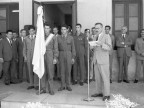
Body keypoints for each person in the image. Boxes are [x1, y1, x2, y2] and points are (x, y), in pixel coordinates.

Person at [91, 23, 112, 101]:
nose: (96, 29)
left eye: (98, 28)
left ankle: (107, 94)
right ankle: (99, 92)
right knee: (97, 78)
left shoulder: (106, 36)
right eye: (95, 28)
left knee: (105, 78)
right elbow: (95, 49)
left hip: (103, 60)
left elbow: (109, 47)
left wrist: (102, 44)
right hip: (96, 60)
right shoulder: (95, 36)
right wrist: (92, 46)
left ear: (102, 28)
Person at [39, 24, 59, 95]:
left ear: (50, 29)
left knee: (50, 73)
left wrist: (55, 57)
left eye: (48, 28)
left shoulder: (53, 37)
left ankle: (51, 89)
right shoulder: (41, 36)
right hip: (42, 55)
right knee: (43, 73)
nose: (46, 29)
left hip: (50, 54)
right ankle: (43, 88)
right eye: (45, 28)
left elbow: (56, 48)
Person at [57, 24, 76, 91]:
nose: (63, 31)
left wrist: (73, 57)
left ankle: (68, 85)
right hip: (61, 54)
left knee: (68, 70)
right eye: (62, 29)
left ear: (67, 30)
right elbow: (56, 48)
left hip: (69, 54)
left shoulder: (71, 38)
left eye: (64, 29)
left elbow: (73, 48)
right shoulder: (58, 37)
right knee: (62, 71)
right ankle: (62, 85)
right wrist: (57, 57)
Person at [23, 25, 39, 90]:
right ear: (28, 31)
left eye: (32, 30)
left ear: (34, 31)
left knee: (35, 70)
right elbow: (24, 48)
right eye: (30, 31)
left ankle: (36, 84)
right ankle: (31, 84)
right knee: (29, 70)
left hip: (35, 56)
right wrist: (25, 56)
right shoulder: (26, 38)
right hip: (29, 56)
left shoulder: (37, 37)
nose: (31, 32)